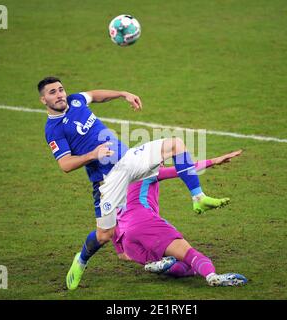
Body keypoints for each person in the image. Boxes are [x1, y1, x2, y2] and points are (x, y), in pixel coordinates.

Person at [39, 76, 231, 290]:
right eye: (52, 92)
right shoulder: (53, 130)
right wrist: (92, 155)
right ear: (43, 100)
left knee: (175, 144)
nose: (59, 95)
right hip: (107, 179)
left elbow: (94, 95)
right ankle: (81, 260)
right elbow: (65, 164)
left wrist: (123, 94)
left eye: (60, 90)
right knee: (105, 235)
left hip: (128, 158)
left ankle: (199, 197)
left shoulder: (75, 101)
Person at [111, 150, 247, 286]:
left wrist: (120, 250)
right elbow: (184, 169)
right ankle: (212, 276)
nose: (162, 164)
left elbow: (110, 219)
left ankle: (161, 264)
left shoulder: (119, 184)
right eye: (160, 161)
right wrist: (214, 161)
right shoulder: (147, 172)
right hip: (145, 223)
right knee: (190, 255)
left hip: (127, 239)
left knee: (179, 266)